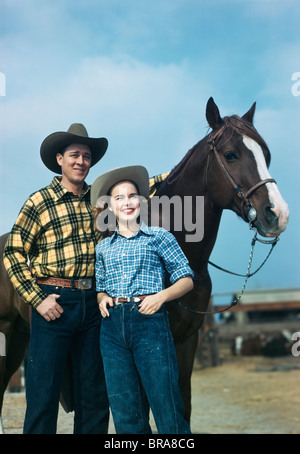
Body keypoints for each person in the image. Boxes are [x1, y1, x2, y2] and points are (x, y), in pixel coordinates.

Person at [3, 123, 110, 434]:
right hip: (54, 301)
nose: (81, 161)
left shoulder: (100, 202)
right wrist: (37, 299)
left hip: (93, 304)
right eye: (74, 155)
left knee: (94, 394)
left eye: (87, 156)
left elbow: (141, 188)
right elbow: (13, 253)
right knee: (43, 392)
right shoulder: (39, 201)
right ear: (60, 159)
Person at [91, 165, 194, 434]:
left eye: (132, 196)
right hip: (112, 329)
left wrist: (161, 296)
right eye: (119, 198)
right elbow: (100, 287)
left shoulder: (159, 236)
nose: (127, 202)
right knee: (126, 414)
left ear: (141, 201)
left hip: (150, 323)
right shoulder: (103, 247)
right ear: (110, 207)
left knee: (167, 407)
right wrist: (102, 298)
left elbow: (186, 279)